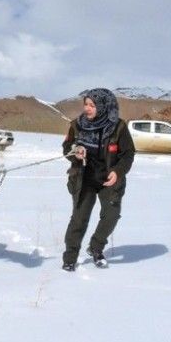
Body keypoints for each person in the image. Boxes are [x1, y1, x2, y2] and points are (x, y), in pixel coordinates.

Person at [61, 88, 135, 271]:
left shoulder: (118, 127)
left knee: (111, 216)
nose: (87, 108)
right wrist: (75, 153)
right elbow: (66, 148)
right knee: (79, 219)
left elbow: (128, 154)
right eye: (85, 104)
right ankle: (70, 258)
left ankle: (95, 248)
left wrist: (118, 171)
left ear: (103, 106)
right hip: (83, 179)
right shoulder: (76, 125)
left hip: (108, 180)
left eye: (92, 105)